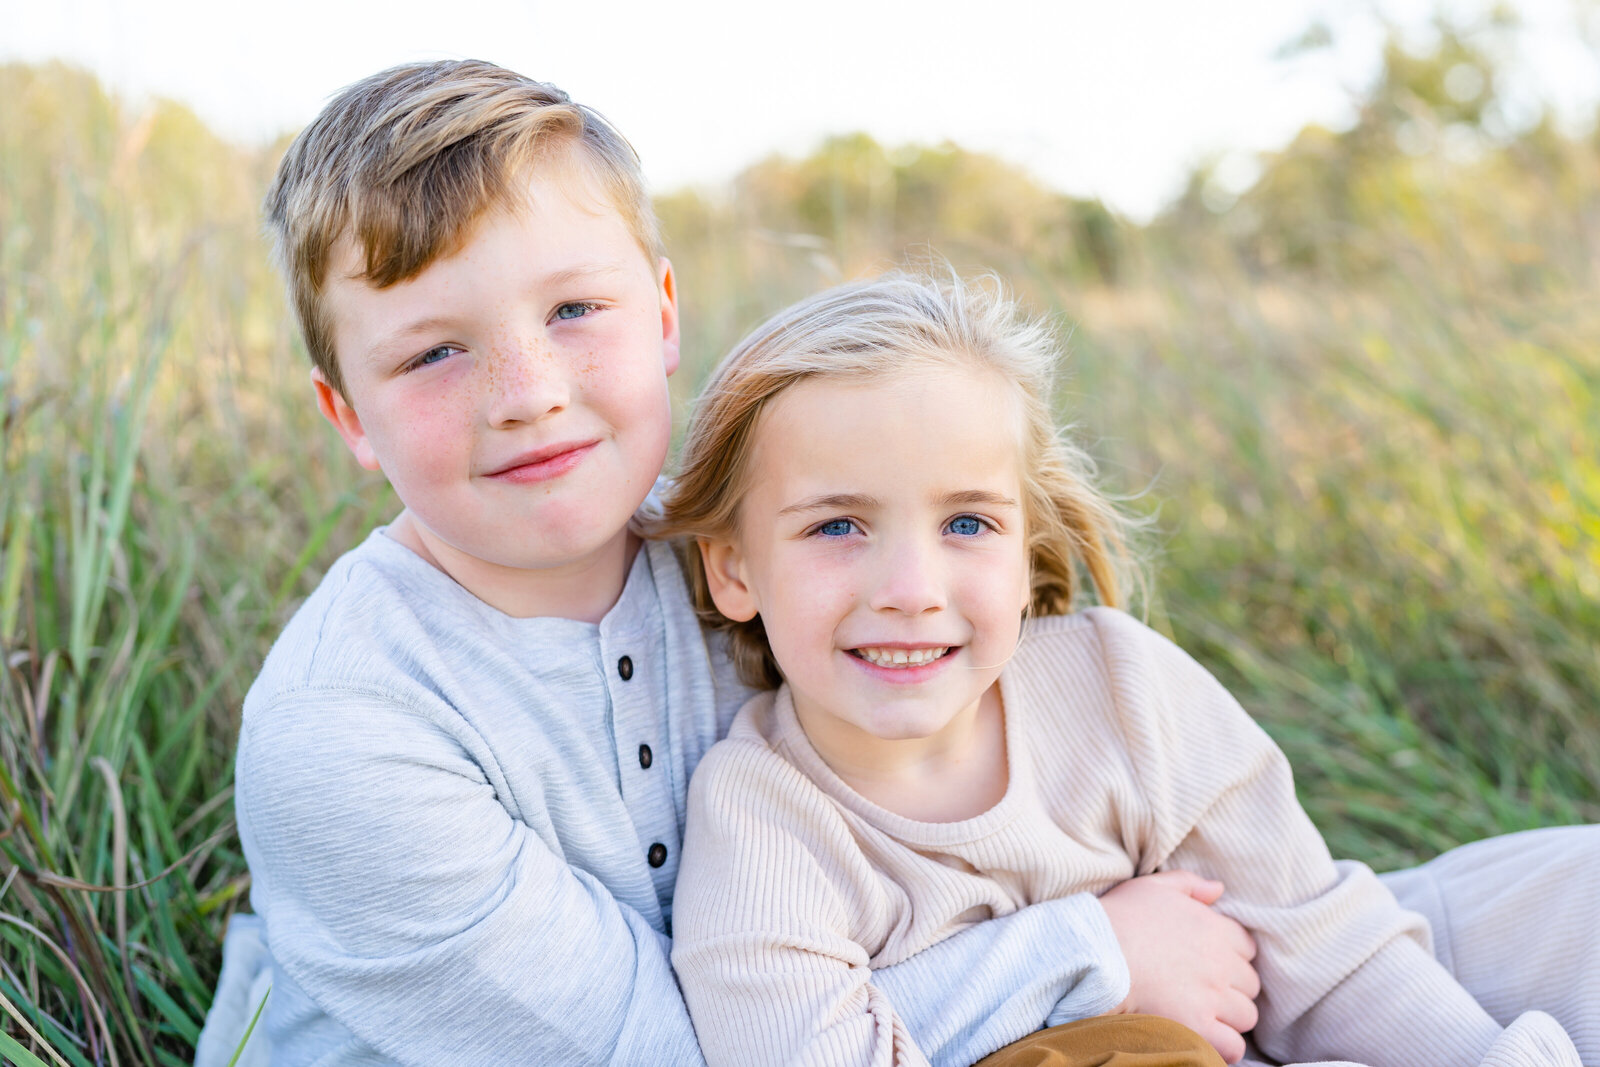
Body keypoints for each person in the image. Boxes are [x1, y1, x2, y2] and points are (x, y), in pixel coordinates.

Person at [194, 61, 1260, 1067]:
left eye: (573, 310)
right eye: (433, 351)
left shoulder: (765, 557)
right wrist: (1088, 953)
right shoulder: (345, 734)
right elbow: (672, 1051)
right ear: (350, 415)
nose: (526, 390)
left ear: (661, 314)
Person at [660, 270, 1598, 1067]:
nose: (911, 587)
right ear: (734, 565)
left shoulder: (1117, 685)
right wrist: (1092, 950)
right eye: (837, 525)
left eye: (967, 523)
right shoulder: (762, 814)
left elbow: (1324, 947)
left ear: (1028, 546)